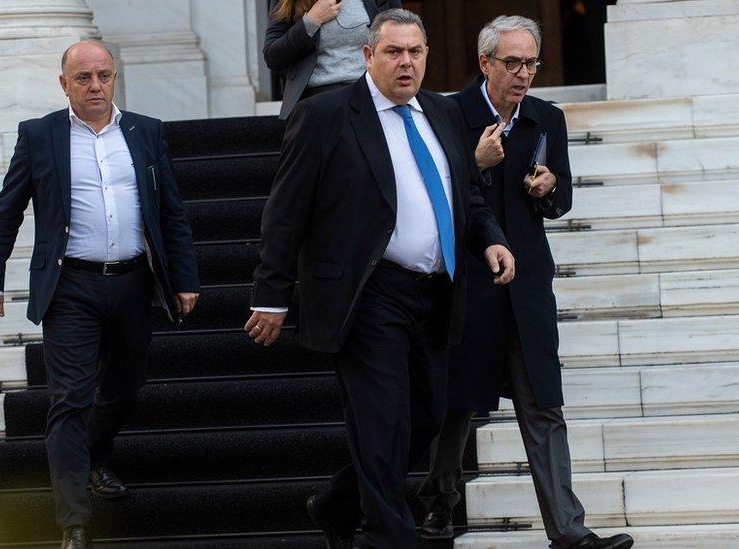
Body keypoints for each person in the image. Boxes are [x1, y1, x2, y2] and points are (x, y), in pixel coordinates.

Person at [245, 9, 515, 547]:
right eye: (393, 52)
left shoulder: (440, 113)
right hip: (367, 292)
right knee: (380, 416)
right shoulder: (327, 115)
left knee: (425, 417)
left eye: (415, 52)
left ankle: (337, 503)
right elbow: (285, 211)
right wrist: (271, 295)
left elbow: (467, 193)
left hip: (435, 290)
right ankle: (388, 535)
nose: (406, 62)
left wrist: (491, 238)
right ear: (368, 56)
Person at [415, 16, 634, 549]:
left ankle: (569, 531)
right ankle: (440, 504)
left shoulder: (546, 119)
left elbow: (561, 204)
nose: (523, 74)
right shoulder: (447, 113)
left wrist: (550, 187)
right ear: (484, 63)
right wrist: (476, 163)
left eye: (531, 63)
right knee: (457, 406)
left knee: (543, 404)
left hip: (528, 283)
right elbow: (432, 193)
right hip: (469, 281)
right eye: (511, 62)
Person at [0, 40, 200, 549]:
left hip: (133, 278)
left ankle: (95, 456)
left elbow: (171, 211)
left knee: (126, 383)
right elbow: (7, 210)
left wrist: (183, 277)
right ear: (64, 84)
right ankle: (73, 521)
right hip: (70, 283)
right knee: (71, 397)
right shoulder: (39, 136)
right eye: (83, 78)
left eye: (103, 76)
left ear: (114, 77)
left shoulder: (147, 131)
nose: (95, 86)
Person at [264, 0, 401, 119]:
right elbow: (273, 57)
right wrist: (311, 21)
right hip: (317, 99)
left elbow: (399, 39)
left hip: (369, 94)